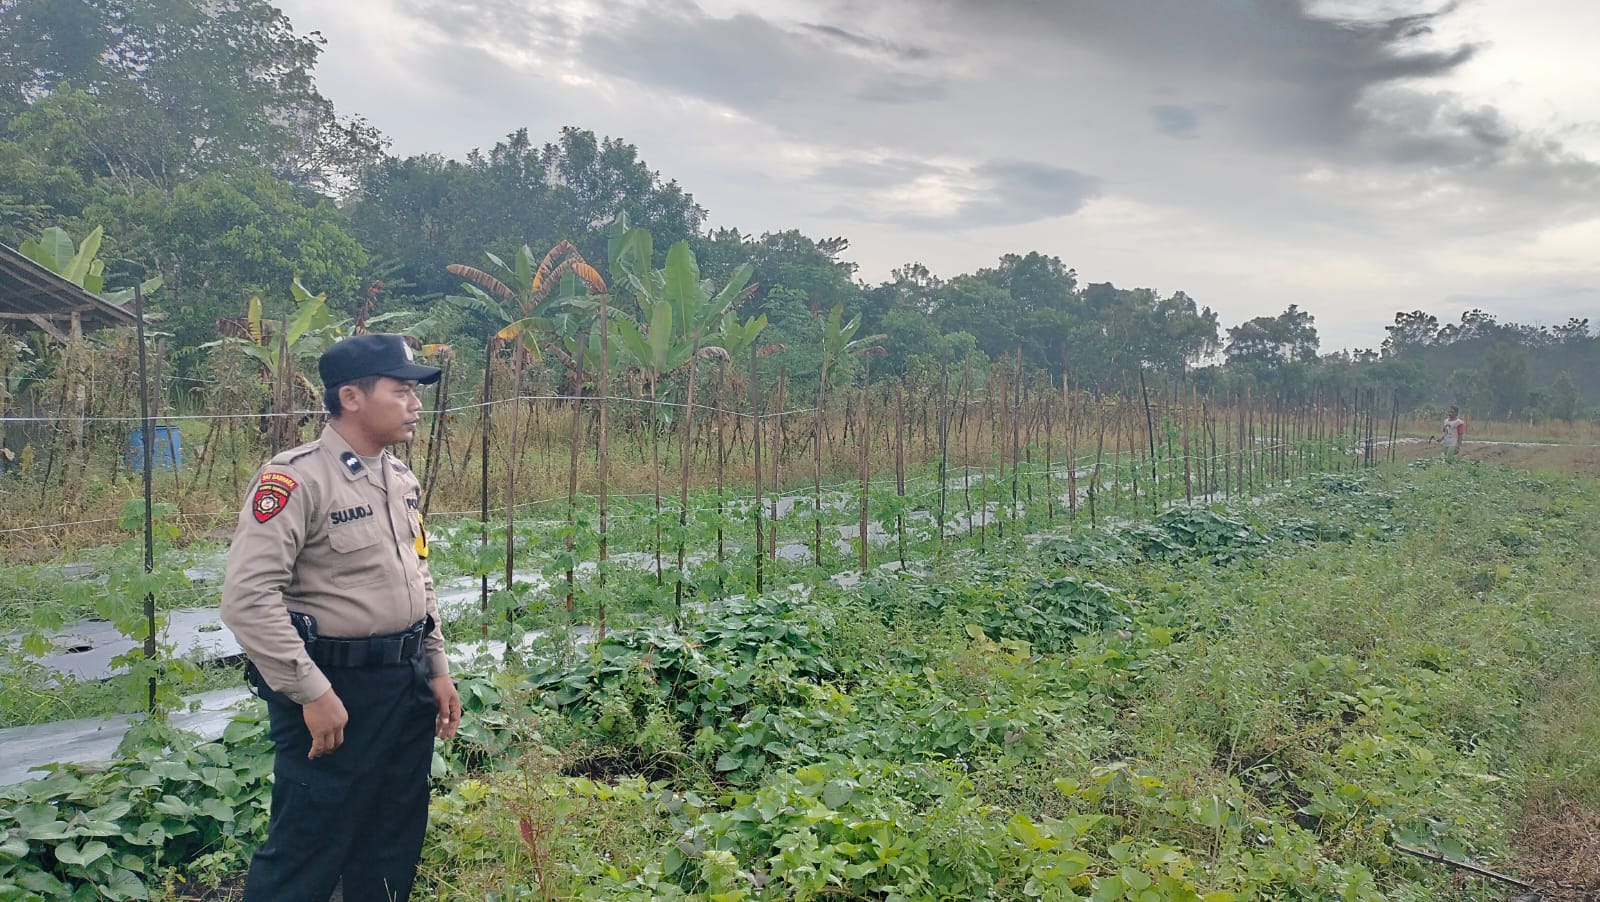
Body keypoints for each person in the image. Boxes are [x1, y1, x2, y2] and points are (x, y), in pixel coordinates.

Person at [221, 333, 461, 902]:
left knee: (391, 842)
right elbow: (248, 598)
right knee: (308, 847)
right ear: (351, 397)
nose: (416, 404)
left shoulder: (398, 479)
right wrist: (311, 693)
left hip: (403, 686)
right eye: (401, 391)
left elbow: (417, 577)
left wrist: (437, 665)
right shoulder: (296, 479)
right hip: (335, 688)